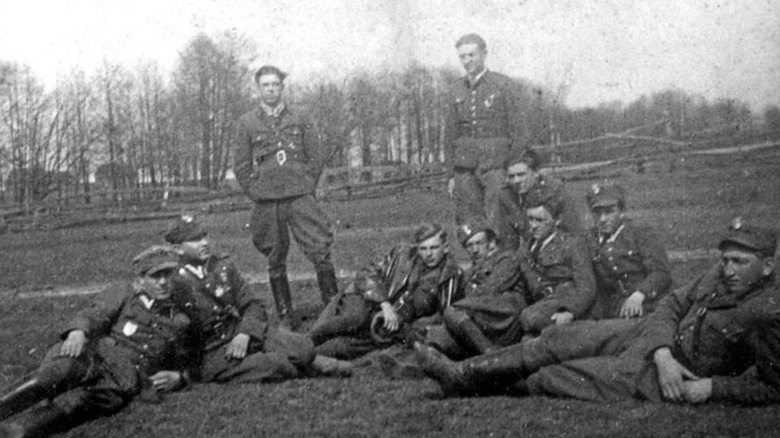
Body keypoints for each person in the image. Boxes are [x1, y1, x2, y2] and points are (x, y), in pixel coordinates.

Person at [417, 219, 780, 405]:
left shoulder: (767, 313)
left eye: (740, 262)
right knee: (558, 338)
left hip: (665, 377)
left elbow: (772, 388)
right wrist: (663, 350)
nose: (729, 269)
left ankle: (464, 382)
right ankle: (462, 373)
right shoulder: (720, 275)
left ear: (766, 266)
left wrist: (712, 388)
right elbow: (671, 304)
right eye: (726, 259)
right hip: (652, 340)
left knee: (559, 375)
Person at [0, 247, 197, 438]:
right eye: (155, 276)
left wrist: (179, 378)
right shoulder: (125, 294)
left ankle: (14, 433)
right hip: (97, 357)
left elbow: (189, 359)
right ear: (140, 280)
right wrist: (78, 331)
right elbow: (94, 313)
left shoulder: (180, 320)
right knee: (56, 373)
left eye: (168, 275)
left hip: (124, 381)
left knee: (77, 405)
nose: (163, 282)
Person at [163, 215, 351, 383]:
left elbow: (253, 304)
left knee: (303, 347)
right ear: (178, 249)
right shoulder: (173, 282)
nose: (204, 243)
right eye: (195, 240)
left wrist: (244, 333)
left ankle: (321, 362)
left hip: (239, 332)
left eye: (204, 236)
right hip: (213, 351)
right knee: (277, 365)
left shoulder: (221, 267)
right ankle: (318, 366)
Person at [234, 65, 338, 329]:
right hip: (268, 200)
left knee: (319, 249)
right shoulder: (247, 123)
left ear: (282, 87)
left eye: (275, 84)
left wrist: (307, 185)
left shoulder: (301, 116)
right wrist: (256, 192)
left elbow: (316, 155)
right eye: (265, 85)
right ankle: (285, 315)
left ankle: (332, 307)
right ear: (258, 89)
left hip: (300, 196)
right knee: (275, 255)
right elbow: (241, 166)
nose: (271, 89)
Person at [307, 223, 462, 360]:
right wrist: (385, 304)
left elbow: (441, 313)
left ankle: (302, 357)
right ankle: (304, 342)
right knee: (354, 317)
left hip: (390, 323)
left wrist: (397, 320)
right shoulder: (402, 254)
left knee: (344, 348)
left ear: (446, 247)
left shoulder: (449, 277)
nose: (428, 254)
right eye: (423, 248)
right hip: (365, 300)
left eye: (434, 248)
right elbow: (366, 274)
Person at [444, 33, 528, 230]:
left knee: (498, 219)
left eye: (472, 55)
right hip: (465, 169)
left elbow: (519, 131)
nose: (467, 61)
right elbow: (450, 136)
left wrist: (513, 165)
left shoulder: (502, 84)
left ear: (484, 54)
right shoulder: (455, 89)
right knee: (469, 223)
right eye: (463, 56)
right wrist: (450, 175)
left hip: (497, 167)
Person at [429, 218, 526, 357]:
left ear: (491, 243)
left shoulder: (506, 259)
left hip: (505, 317)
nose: (474, 250)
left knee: (451, 312)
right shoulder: (469, 273)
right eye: (469, 245)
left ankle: (490, 352)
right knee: (435, 335)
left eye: (479, 243)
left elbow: (490, 289)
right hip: (482, 323)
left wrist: (457, 308)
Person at [585, 181, 672, 319]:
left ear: (621, 211)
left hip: (649, 302)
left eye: (609, 212)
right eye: (597, 213)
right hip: (614, 307)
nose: (603, 219)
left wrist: (639, 295)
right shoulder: (589, 239)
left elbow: (661, 273)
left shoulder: (640, 233)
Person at [517, 187, 596, 335]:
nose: (533, 226)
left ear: (557, 220)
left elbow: (587, 287)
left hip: (565, 302)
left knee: (529, 319)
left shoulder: (572, 244)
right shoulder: (526, 248)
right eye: (530, 219)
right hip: (540, 304)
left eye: (540, 220)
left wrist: (569, 311)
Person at [496, 148, 587, 251]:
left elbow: (573, 233)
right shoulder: (507, 197)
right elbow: (508, 241)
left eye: (521, 175)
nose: (516, 181)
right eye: (511, 176)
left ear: (535, 173)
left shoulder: (555, 191)